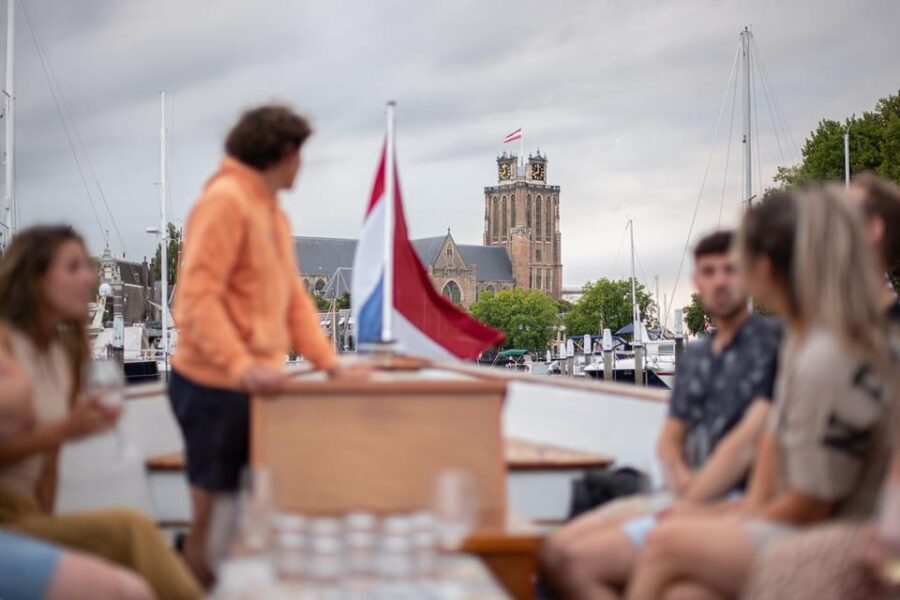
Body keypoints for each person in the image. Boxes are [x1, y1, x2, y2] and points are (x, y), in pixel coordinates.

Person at [626, 185, 895, 600]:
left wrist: (710, 516)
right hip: (803, 516)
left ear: (764, 269)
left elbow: (811, 501)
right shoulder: (809, 347)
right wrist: (708, 508)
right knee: (684, 590)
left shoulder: (824, 356)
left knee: (661, 548)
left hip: (839, 534)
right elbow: (762, 460)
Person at [170, 104, 366, 584]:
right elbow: (196, 301)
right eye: (300, 154)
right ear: (281, 152)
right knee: (214, 527)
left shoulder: (271, 212)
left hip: (252, 388)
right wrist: (240, 366)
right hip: (214, 388)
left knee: (248, 523)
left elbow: (293, 299)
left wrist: (330, 363)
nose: (303, 165)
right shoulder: (225, 202)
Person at [540, 230, 782, 599]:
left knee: (576, 560)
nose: (719, 281)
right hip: (687, 489)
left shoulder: (775, 345)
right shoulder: (698, 357)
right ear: (697, 282)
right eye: (710, 272)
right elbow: (670, 442)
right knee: (552, 551)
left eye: (729, 271)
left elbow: (751, 442)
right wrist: (683, 483)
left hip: (736, 498)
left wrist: (692, 500)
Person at [0, 225, 202, 600]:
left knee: (131, 537)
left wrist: (54, 529)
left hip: (29, 514)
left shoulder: (64, 356)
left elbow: (48, 467)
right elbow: (53, 438)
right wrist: (64, 430)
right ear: (36, 278)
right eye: (73, 267)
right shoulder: (6, 345)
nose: (90, 277)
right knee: (131, 530)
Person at [740, 173, 900, 600]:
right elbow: (771, 435)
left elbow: (817, 495)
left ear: (871, 230)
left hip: (848, 526)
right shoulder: (821, 334)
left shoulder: (860, 341)